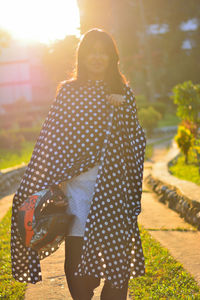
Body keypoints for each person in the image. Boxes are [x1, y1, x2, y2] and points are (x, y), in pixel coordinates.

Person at [10, 28, 146, 300]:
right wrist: (48, 179)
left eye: (103, 52)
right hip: (76, 188)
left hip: (113, 188)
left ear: (111, 57)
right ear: (82, 57)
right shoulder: (69, 93)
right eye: (92, 52)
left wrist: (119, 111)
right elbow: (52, 138)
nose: (97, 57)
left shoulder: (123, 94)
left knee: (116, 256)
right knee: (77, 252)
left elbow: (136, 140)